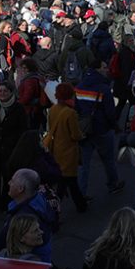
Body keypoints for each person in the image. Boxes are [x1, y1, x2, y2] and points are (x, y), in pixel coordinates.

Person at [76, 57, 124, 197]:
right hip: (102, 130)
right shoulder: (104, 89)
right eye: (104, 67)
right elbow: (110, 113)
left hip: (85, 130)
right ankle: (113, 184)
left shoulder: (79, 87)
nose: (106, 69)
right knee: (108, 160)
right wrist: (114, 126)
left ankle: (81, 193)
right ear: (97, 70)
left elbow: (77, 108)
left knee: (84, 165)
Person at [0, 81, 30, 215]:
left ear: (11, 92)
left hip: (11, 150)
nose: (2, 94)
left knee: (9, 179)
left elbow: (23, 129)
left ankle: (7, 205)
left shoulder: (18, 108)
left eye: (5, 91)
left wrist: (18, 147)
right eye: (0, 91)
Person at [44, 82, 88, 213]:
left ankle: (80, 204)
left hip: (56, 149)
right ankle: (56, 208)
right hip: (69, 151)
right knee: (67, 182)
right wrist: (82, 135)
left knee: (65, 182)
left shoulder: (52, 110)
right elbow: (75, 134)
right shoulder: (71, 113)